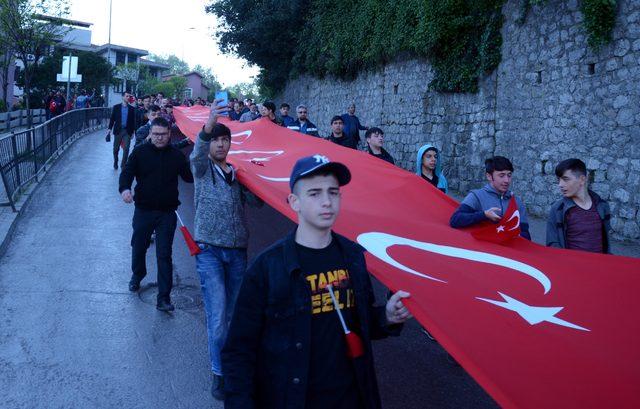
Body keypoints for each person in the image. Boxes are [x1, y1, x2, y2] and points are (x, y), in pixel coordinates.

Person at [221, 154, 412, 409]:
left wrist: (387, 316)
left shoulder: (354, 257)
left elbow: (362, 323)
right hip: (292, 399)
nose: (327, 202)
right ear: (294, 202)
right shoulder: (267, 267)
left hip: (352, 398)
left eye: (333, 192)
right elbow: (238, 350)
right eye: (314, 193)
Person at [190, 103, 263, 400]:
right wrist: (209, 124)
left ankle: (232, 366)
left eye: (225, 140)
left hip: (237, 251)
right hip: (208, 249)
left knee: (234, 315)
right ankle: (219, 373)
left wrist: (255, 181)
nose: (221, 144)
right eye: (216, 140)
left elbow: (257, 204)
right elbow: (196, 153)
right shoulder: (202, 168)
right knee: (218, 315)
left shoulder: (236, 173)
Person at [118, 117, 194, 312]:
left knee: (164, 254)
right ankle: (138, 274)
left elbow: (189, 177)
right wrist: (125, 189)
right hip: (143, 209)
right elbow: (127, 172)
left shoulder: (176, 155)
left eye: (163, 135)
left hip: (167, 213)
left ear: (169, 134)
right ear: (150, 134)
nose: (160, 138)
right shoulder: (140, 152)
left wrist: (197, 157)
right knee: (139, 246)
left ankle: (164, 297)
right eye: (156, 134)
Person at [450, 156, 531, 239]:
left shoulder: (516, 202)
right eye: (501, 175)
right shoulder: (476, 196)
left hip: (507, 250)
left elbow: (525, 233)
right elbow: (455, 220)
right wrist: (484, 215)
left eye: (509, 175)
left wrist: (515, 235)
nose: (507, 180)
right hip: (483, 249)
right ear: (489, 176)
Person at [546, 158, 612, 253]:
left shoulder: (602, 206)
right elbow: (552, 245)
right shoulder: (557, 210)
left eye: (565, 179)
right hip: (572, 266)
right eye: (559, 180)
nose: (560, 185)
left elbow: (606, 241)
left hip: (600, 265)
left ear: (582, 180)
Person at [107, 91, 138, 170]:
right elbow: (112, 119)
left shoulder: (132, 109)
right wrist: (109, 129)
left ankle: (123, 165)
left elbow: (133, 121)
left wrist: (133, 132)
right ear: (123, 97)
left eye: (129, 96)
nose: (128, 98)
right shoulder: (116, 107)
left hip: (127, 131)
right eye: (127, 96)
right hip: (118, 130)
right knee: (115, 149)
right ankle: (115, 161)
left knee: (126, 148)